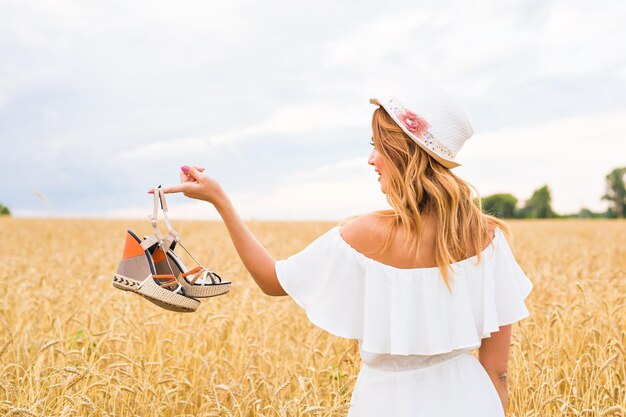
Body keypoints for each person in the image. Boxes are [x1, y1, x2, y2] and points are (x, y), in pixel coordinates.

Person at [153, 86, 533, 417]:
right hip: (472, 400)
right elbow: (498, 371)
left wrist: (221, 201)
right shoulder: (489, 237)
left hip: (388, 404)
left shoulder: (367, 233)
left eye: (377, 147)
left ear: (403, 154)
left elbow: (272, 280)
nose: (371, 160)